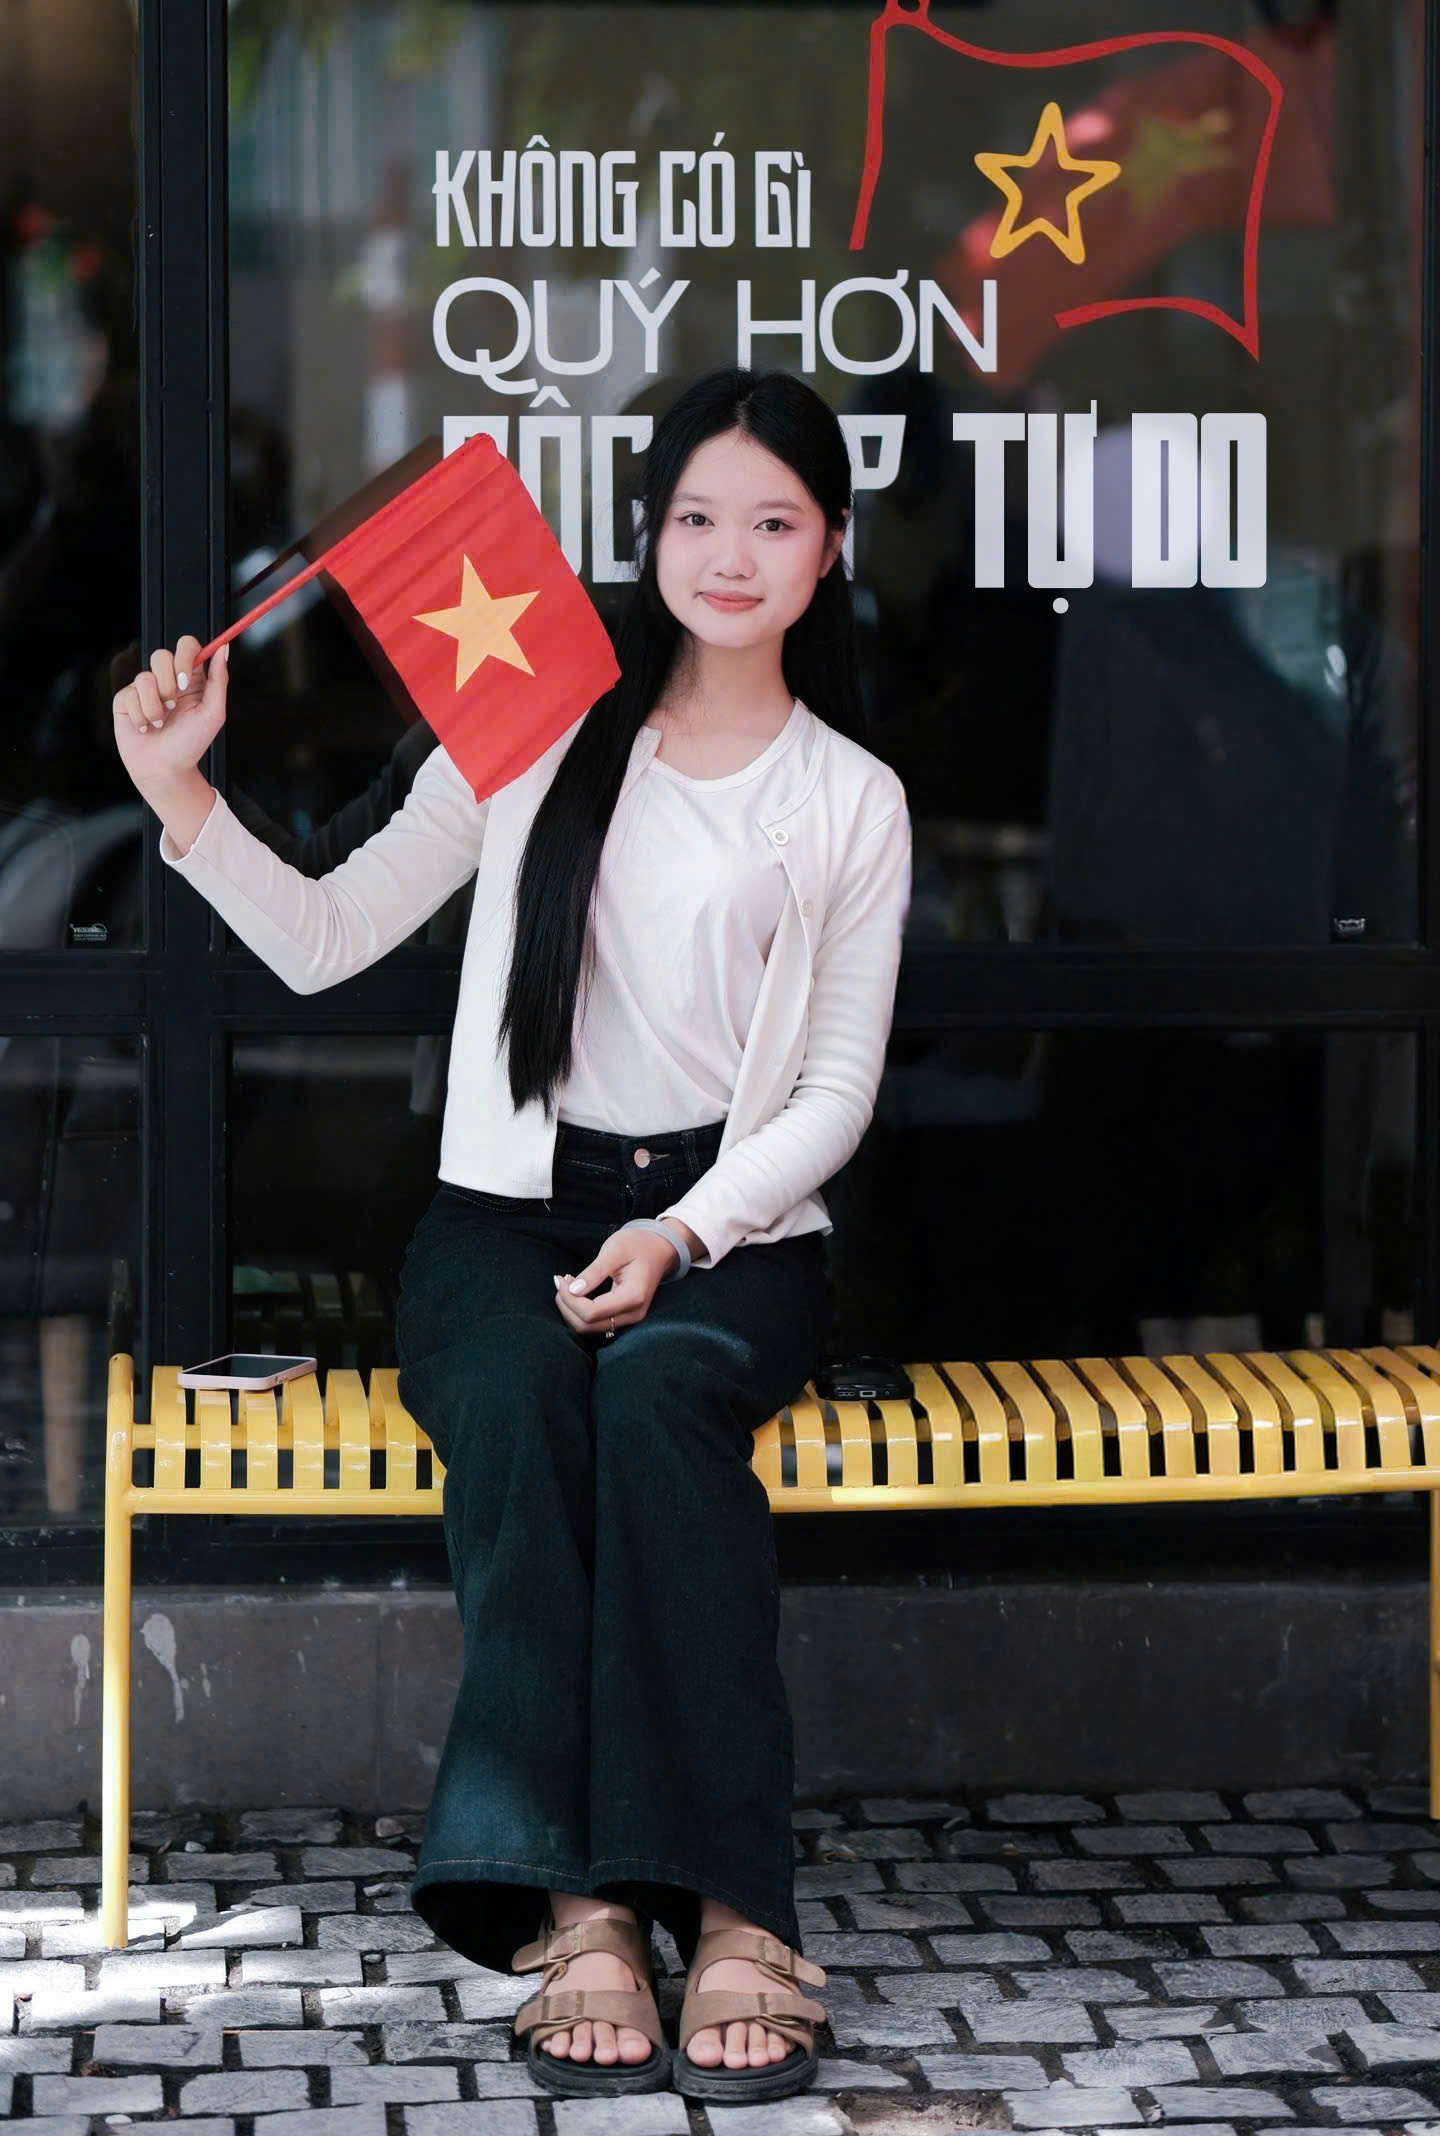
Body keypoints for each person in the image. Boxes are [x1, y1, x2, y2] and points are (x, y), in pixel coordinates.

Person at [109, 368, 913, 2106]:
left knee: (662, 1396)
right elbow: (325, 935)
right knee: (521, 1395)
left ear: (830, 549)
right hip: (505, 1214)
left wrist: (684, 1232)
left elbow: (836, 1090)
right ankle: (581, 1912)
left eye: (773, 520)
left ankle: (736, 1908)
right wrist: (183, 797)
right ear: (649, 532)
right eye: (696, 516)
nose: (729, 553)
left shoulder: (851, 795)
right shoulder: (538, 724)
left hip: (732, 1225)